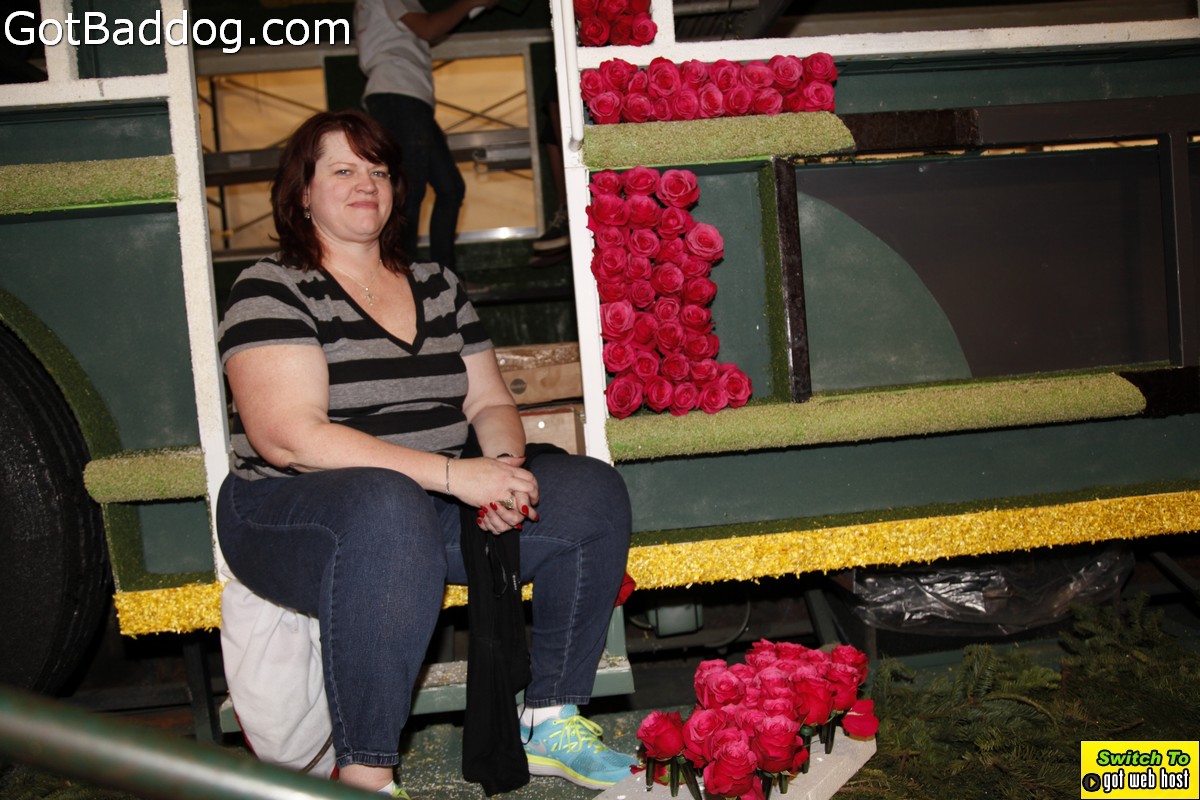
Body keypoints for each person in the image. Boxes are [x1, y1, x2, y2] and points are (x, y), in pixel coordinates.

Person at [215, 109, 636, 795]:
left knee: (590, 491)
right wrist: (452, 476)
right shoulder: (271, 286)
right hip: (288, 517)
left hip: (424, 506)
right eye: (343, 169)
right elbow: (289, 437)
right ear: (302, 192)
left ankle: (550, 720)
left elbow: (489, 402)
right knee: (388, 503)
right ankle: (366, 776)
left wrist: (501, 475)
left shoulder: (436, 284)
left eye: (378, 171)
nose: (366, 184)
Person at [355, 0, 494, 270]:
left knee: (450, 188)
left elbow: (429, 31)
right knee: (410, 190)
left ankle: (444, 276)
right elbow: (428, 29)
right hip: (399, 94)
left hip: (406, 97)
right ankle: (401, 275)